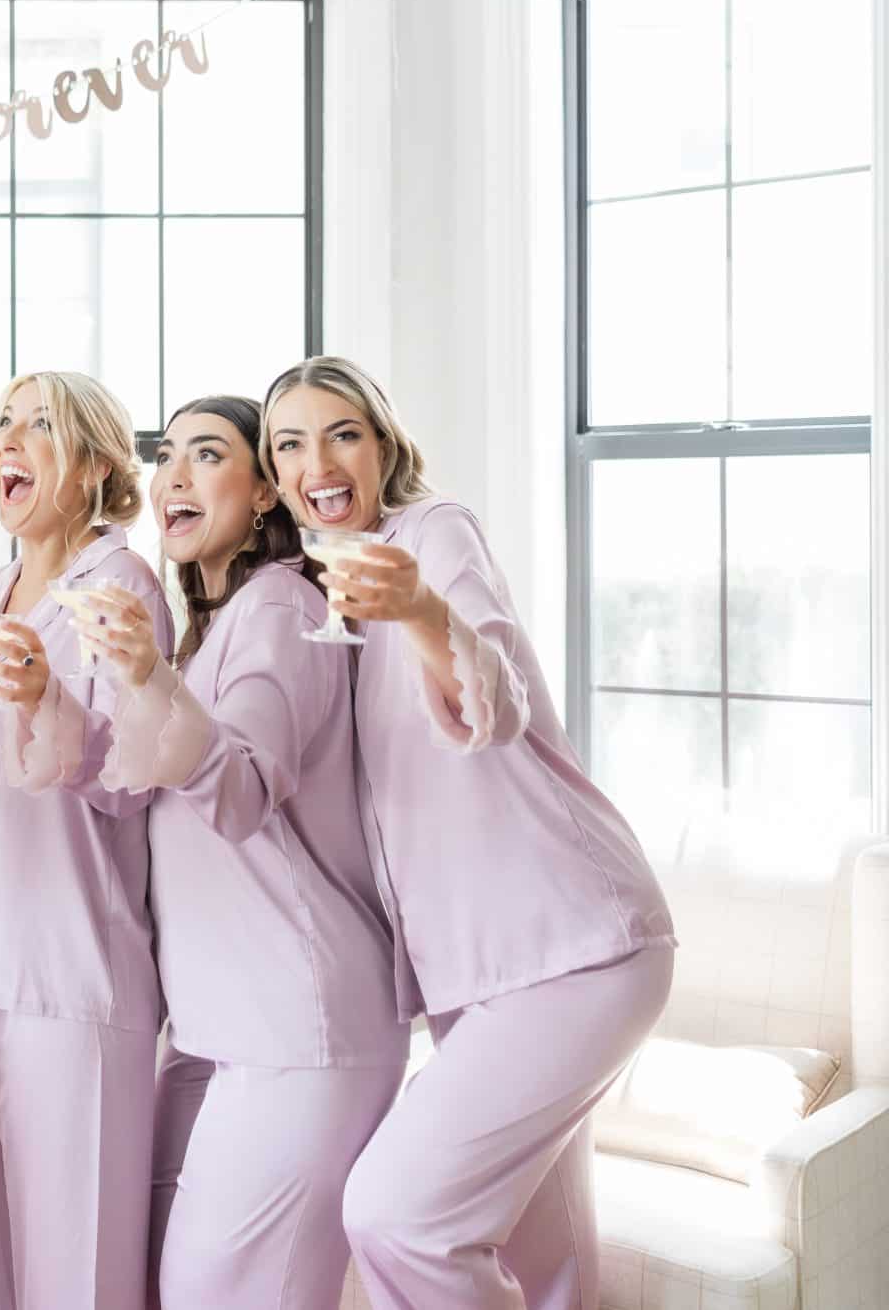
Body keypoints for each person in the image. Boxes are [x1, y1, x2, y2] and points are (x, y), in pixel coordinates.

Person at [262, 355, 675, 1309]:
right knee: (547, 1263)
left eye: (343, 433)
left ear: (383, 446)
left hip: (574, 945)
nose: (317, 460)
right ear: (276, 474)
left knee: (396, 1214)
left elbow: (493, 691)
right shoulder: (314, 591)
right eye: (290, 443)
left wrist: (417, 605)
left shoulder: (429, 534)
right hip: (476, 974)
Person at [58, 395, 406, 1307]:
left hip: (299, 1026)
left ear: (262, 494)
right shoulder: (213, 624)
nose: (172, 473)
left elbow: (244, 787)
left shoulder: (281, 607)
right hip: (220, 1027)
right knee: (155, 1274)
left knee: (216, 1291)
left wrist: (146, 676)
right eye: (165, 453)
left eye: (205, 454)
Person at [0, 370, 170, 1308]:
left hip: (73, 966)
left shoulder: (123, 583)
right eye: (2, 423)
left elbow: (131, 772)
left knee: (77, 1270)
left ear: (96, 464)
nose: (8, 440)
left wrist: (44, 698)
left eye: (40, 426)